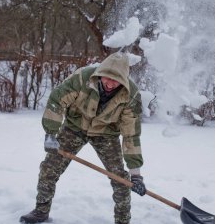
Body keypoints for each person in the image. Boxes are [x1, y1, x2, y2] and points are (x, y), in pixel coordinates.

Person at [20, 52, 146, 224]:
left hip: (106, 134)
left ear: (124, 79)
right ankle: (41, 211)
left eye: (116, 80)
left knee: (121, 180)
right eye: (107, 78)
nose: (110, 84)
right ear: (100, 73)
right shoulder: (82, 78)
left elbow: (131, 134)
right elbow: (57, 100)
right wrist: (51, 134)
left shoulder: (130, 96)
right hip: (75, 127)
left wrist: (136, 174)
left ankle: (123, 221)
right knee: (49, 169)